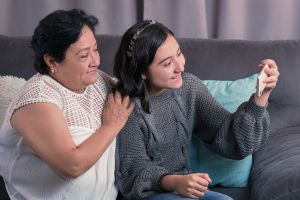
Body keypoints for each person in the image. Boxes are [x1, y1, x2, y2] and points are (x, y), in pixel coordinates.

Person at [113, 20, 280, 200]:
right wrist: (175, 182)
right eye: (167, 63)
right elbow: (134, 171)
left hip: (183, 190)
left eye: (179, 53)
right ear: (142, 72)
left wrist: (260, 97)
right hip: (148, 195)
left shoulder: (189, 88)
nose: (180, 66)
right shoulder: (126, 106)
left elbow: (234, 142)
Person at [0, 9, 134, 200]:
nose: (95, 61)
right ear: (52, 61)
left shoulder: (96, 81)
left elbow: (135, 97)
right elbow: (72, 166)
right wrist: (111, 126)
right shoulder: (37, 98)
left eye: (95, 49)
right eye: (83, 55)